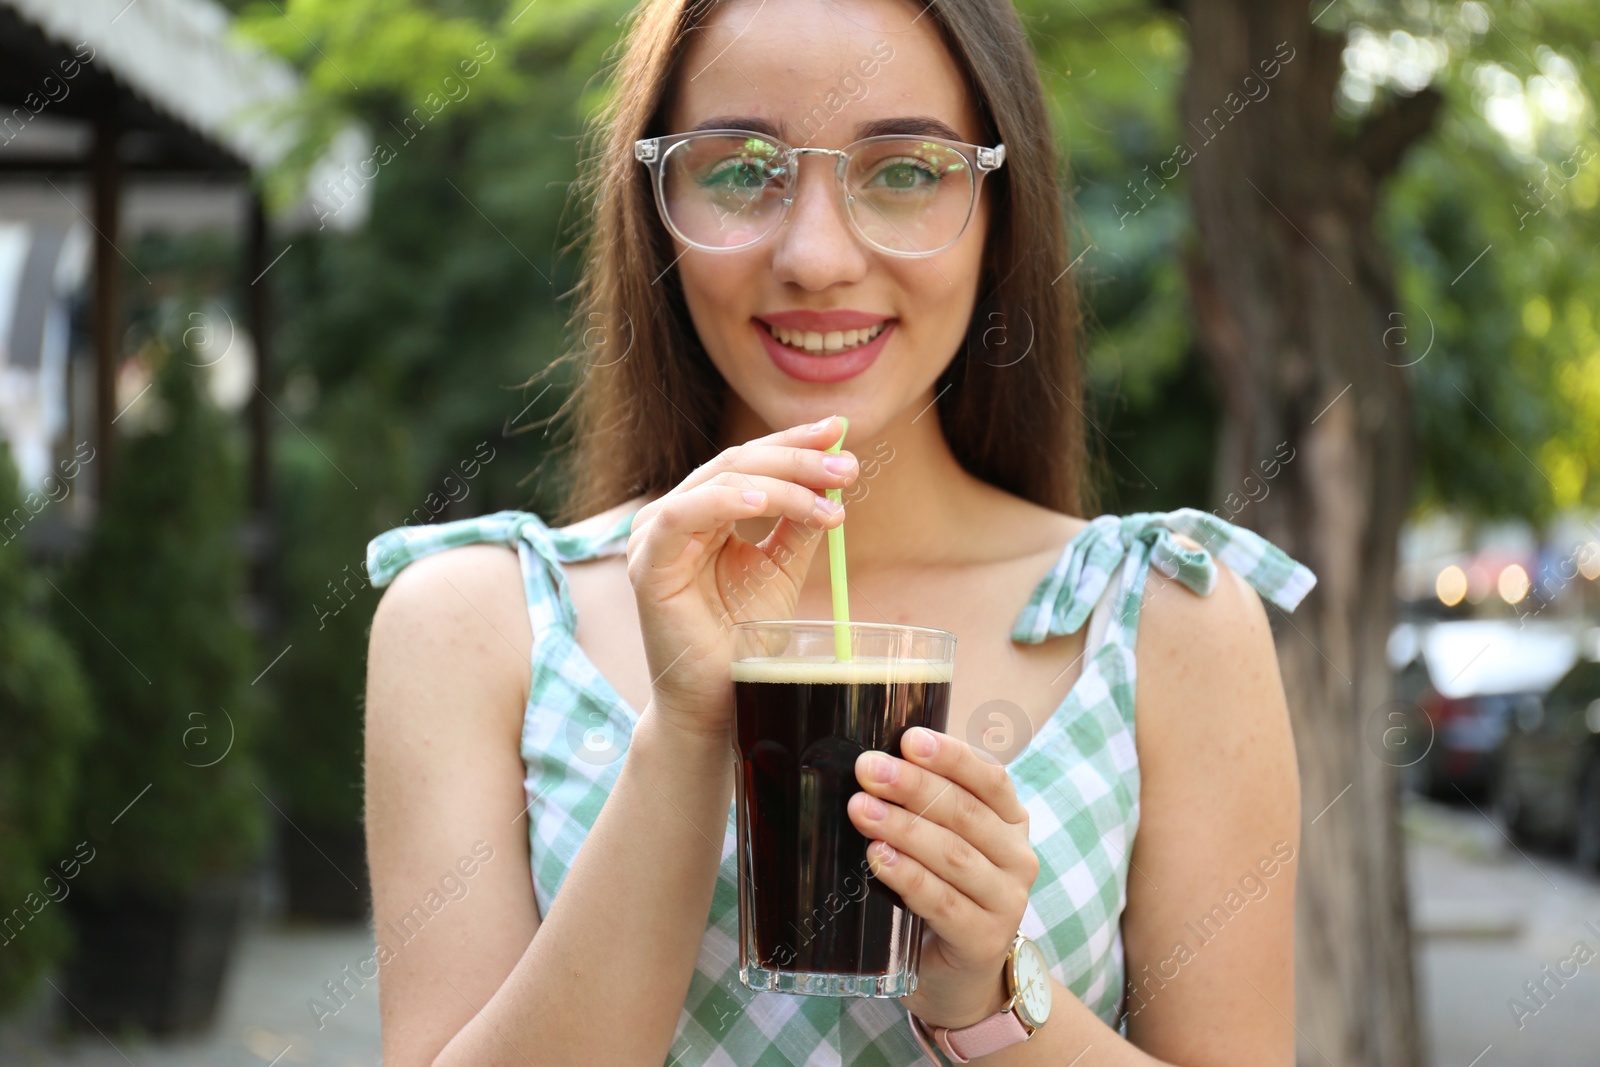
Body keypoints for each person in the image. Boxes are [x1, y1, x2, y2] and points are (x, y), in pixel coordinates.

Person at [362, 0, 1317, 1064]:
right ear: (653, 205)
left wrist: (987, 997)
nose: (815, 255)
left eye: (905, 169)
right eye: (738, 168)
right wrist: (683, 736)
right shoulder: (472, 621)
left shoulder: (1165, 619)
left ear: (999, 207)